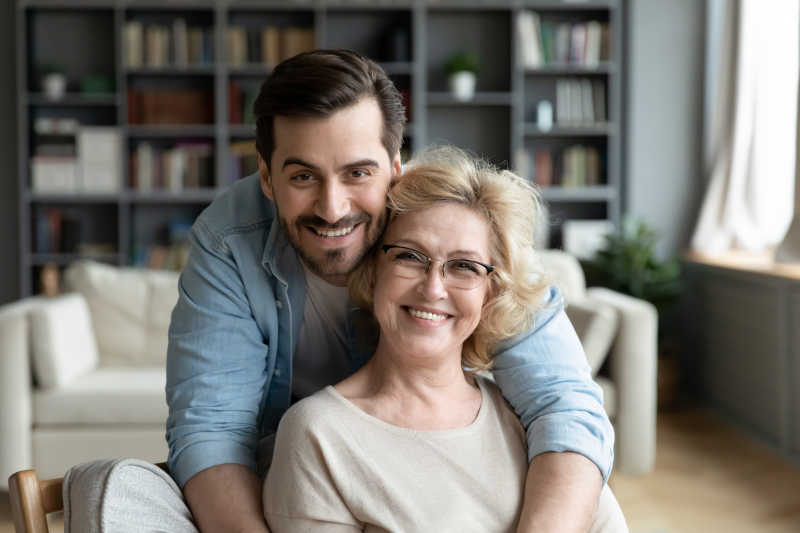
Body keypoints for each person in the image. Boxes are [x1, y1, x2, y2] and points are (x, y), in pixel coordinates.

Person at [63, 49, 612, 533]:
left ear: (396, 168)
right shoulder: (229, 241)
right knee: (110, 487)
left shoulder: (451, 221)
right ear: (266, 176)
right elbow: (211, 432)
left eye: (358, 173)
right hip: (296, 476)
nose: (332, 208)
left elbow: (563, 404)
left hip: (429, 460)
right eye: (303, 177)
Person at [262, 146, 628, 532]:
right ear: (373, 272)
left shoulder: (540, 430)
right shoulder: (317, 436)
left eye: (465, 267)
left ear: (491, 293)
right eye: (409, 256)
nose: (433, 288)